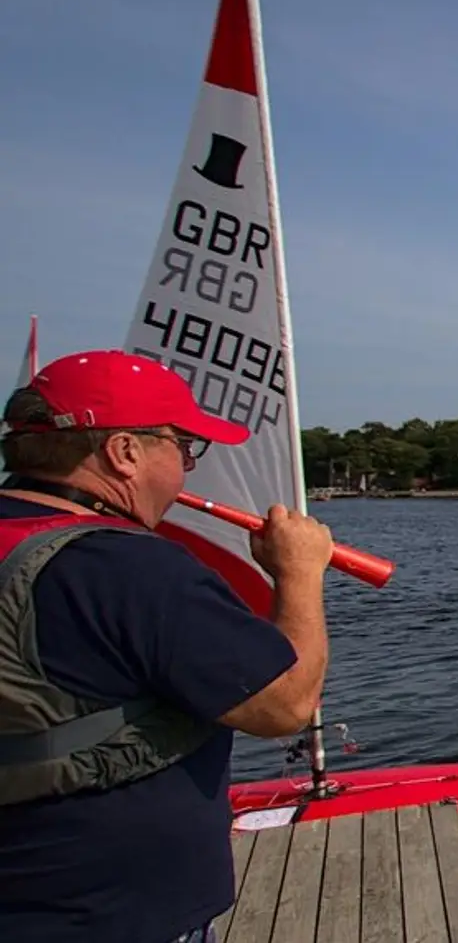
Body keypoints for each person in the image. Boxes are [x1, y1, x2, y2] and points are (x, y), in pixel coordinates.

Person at [0, 349, 334, 943]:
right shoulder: (126, 568)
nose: (186, 466)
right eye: (182, 447)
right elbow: (285, 706)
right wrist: (300, 575)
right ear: (124, 452)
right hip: (99, 913)